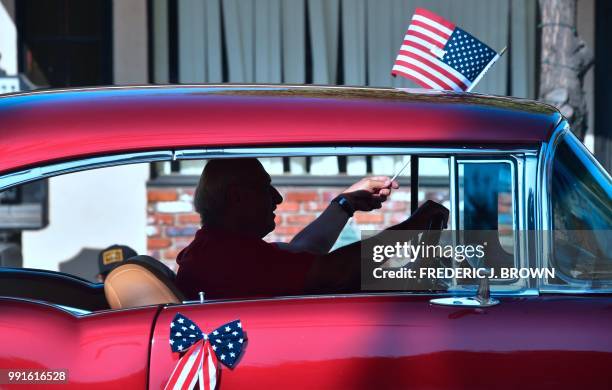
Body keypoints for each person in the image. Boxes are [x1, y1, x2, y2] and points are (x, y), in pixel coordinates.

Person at [175, 158, 448, 299]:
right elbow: (336, 273)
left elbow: (301, 252)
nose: (277, 198)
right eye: (263, 187)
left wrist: (344, 204)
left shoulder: (216, 248)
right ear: (236, 197)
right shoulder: (229, 257)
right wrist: (414, 226)